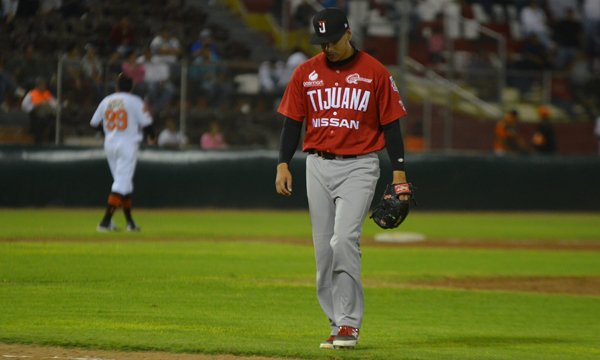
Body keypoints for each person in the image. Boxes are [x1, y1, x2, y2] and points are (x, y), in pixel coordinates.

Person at [274, 8, 410, 350]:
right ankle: (336, 322)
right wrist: (282, 164)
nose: (327, 48)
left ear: (347, 34)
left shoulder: (375, 72)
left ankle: (350, 325)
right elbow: (292, 123)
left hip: (360, 165)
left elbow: (391, 124)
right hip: (317, 166)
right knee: (323, 252)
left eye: (332, 40)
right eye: (321, 42)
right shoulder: (305, 73)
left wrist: (399, 172)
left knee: (344, 240)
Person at [90, 73, 155, 232]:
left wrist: (107, 130)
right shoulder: (134, 101)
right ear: (131, 88)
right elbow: (147, 124)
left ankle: (130, 223)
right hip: (127, 144)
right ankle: (105, 222)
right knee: (121, 183)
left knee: (124, 183)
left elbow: (94, 123)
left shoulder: (107, 100)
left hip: (110, 144)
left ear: (117, 87)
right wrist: (152, 136)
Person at [21, 77, 57, 143]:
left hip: (49, 113)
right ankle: (38, 141)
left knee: (54, 120)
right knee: (42, 121)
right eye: (42, 85)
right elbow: (24, 105)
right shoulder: (31, 94)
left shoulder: (47, 93)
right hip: (38, 115)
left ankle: (52, 140)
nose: (44, 86)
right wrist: (34, 108)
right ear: (38, 85)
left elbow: (54, 103)